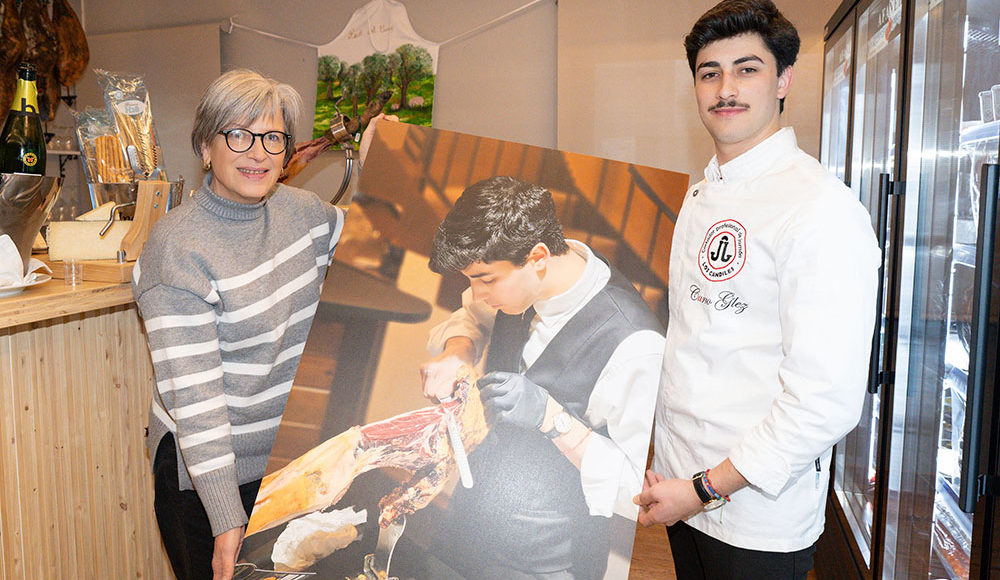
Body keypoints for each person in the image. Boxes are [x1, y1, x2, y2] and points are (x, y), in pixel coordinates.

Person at [632, 1, 881, 578]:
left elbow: (824, 399)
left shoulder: (821, 209)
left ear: (784, 79)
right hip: (679, 486)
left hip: (754, 513)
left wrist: (705, 488)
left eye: (747, 69)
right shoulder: (700, 194)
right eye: (710, 73)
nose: (726, 89)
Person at [133, 69, 352, 580]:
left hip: (284, 461)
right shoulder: (177, 249)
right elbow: (197, 404)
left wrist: (392, 148)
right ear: (205, 147)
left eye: (272, 138)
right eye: (238, 135)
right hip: (206, 475)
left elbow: (375, 239)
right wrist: (226, 517)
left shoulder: (305, 214)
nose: (257, 152)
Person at [420, 176, 665, 579]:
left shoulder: (635, 344)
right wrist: (457, 352)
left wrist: (553, 419)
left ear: (537, 257)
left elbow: (637, 490)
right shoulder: (516, 279)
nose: (478, 293)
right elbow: (472, 315)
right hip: (460, 532)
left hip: (545, 563)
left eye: (485, 279)